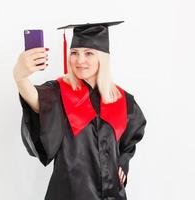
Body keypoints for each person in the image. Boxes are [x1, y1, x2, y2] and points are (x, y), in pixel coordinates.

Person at [13, 21, 147, 200]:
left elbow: (131, 139)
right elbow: (37, 101)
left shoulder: (122, 99)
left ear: (102, 57)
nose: (80, 60)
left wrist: (124, 161)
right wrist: (20, 78)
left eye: (89, 53)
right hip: (70, 194)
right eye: (75, 53)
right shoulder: (59, 92)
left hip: (112, 194)